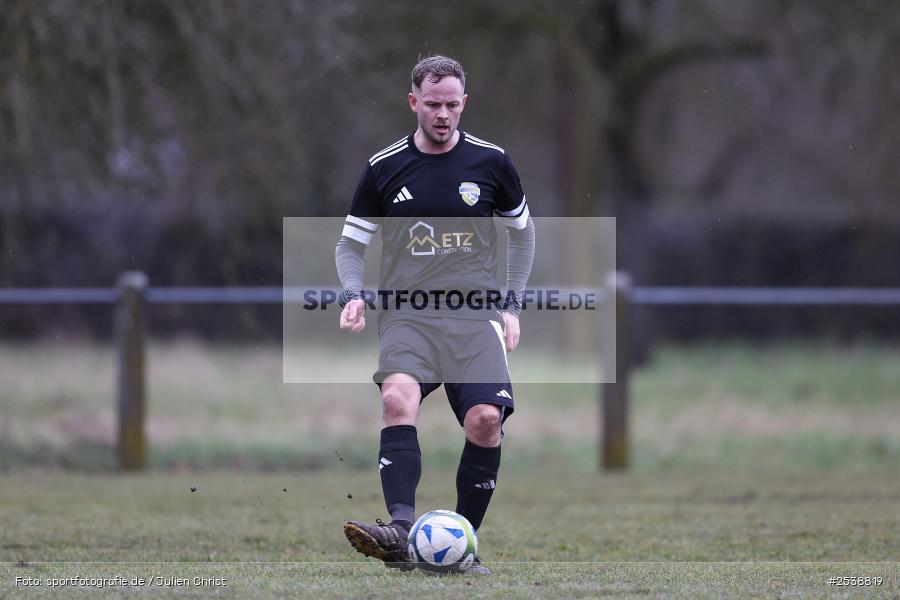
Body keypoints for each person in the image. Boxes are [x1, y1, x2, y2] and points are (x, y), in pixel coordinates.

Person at [335, 55, 535, 575]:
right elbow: (349, 247)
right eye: (432, 105)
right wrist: (354, 293)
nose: (443, 114)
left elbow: (522, 235)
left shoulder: (491, 163)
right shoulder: (384, 168)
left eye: (452, 105)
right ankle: (400, 531)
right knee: (396, 398)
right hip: (409, 317)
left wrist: (511, 305)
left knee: (486, 420)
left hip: (474, 319)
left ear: (464, 102)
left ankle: (461, 545)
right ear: (413, 103)